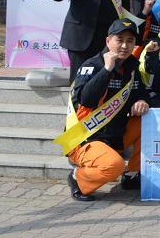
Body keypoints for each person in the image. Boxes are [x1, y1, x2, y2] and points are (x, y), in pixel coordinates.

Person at [63, 18, 150, 201]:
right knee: (114, 166)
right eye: (120, 40)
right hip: (85, 137)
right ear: (108, 41)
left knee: (150, 122)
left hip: (115, 135)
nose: (124, 46)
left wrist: (142, 101)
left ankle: (132, 175)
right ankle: (78, 179)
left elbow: (141, 92)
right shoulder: (91, 65)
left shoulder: (132, 66)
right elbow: (86, 99)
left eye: (130, 41)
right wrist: (106, 70)